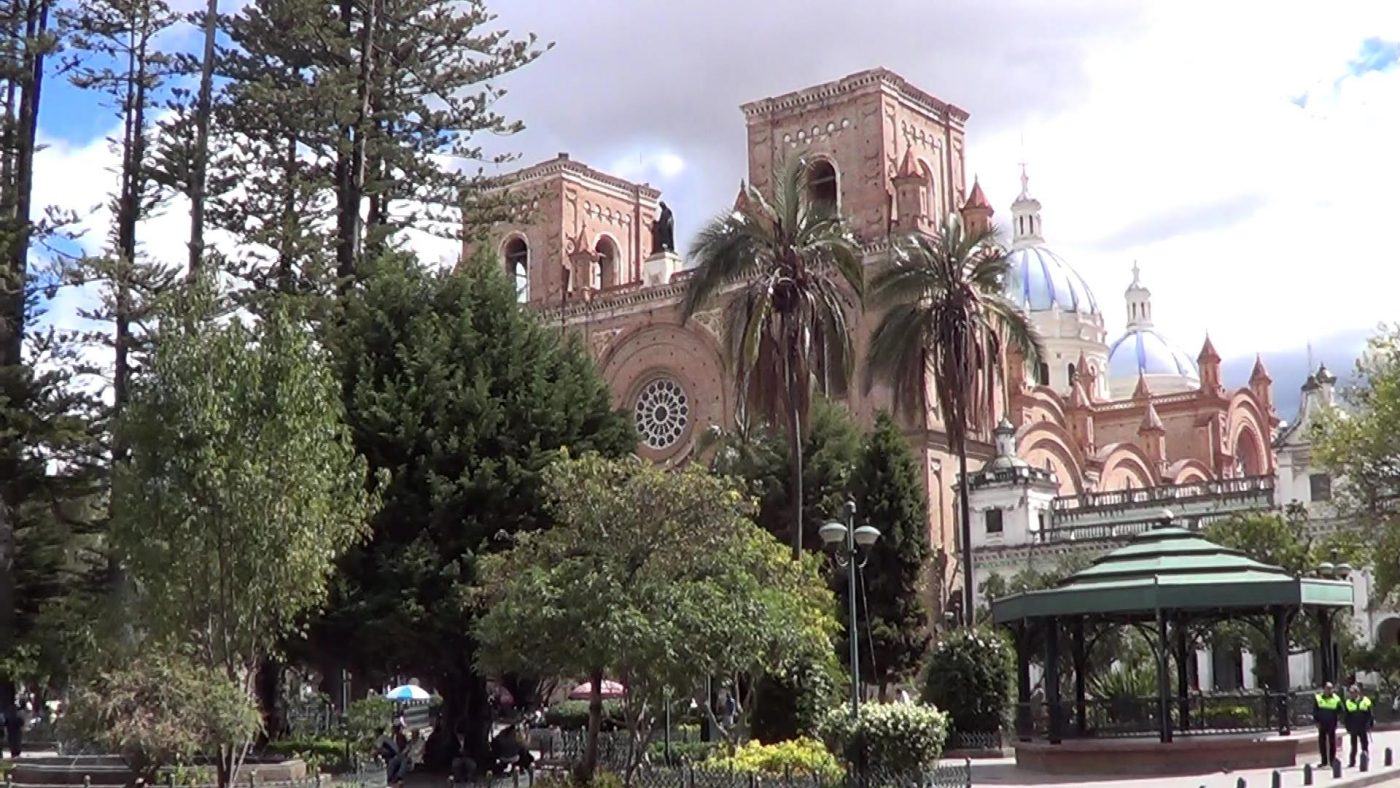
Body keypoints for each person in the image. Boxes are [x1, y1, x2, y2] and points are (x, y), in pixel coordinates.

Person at [1345, 684, 1374, 768]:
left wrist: (1370, 724)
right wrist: (1348, 727)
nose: (1351, 694)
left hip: (1363, 726)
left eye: (1353, 692)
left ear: (1357, 692)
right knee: (1353, 746)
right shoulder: (1348, 702)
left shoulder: (1365, 701)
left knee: (1364, 744)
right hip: (1354, 727)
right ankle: (1352, 762)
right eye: (1350, 692)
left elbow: (1370, 714)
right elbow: (1347, 716)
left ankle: (1365, 759)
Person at [1314, 682, 1343, 768]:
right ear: (1324, 689)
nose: (1329, 690)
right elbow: (1315, 710)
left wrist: (1338, 719)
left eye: (1330, 688)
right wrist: (1316, 721)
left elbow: (1341, 710)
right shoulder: (1318, 698)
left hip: (1331, 723)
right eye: (1327, 688)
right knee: (1322, 743)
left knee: (1332, 742)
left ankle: (1332, 761)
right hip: (1322, 723)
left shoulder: (1336, 699)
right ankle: (1324, 761)